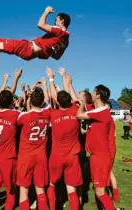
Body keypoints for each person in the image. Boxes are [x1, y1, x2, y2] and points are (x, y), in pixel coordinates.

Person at [0, 6, 70, 71]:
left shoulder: (60, 31)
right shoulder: (65, 41)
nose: (54, 21)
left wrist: (46, 12)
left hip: (28, 48)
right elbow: (56, 57)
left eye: (56, 19)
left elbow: (40, 25)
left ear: (62, 21)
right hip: (29, 51)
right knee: (4, 41)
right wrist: (47, 50)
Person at [46, 68, 82, 210]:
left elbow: (54, 96)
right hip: (72, 157)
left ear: (57, 102)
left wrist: (51, 79)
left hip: (56, 156)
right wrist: (65, 78)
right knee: (71, 188)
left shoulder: (53, 115)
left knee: (52, 184)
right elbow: (70, 97)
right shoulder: (75, 111)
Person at [77, 85, 115, 210]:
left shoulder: (100, 112)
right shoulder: (101, 111)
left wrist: (82, 104)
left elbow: (79, 115)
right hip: (100, 156)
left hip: (99, 157)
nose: (91, 95)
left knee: (100, 193)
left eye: (93, 92)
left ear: (98, 95)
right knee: (100, 191)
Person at [17, 87, 50, 210]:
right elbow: (47, 103)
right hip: (41, 156)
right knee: (40, 190)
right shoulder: (47, 114)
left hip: (25, 157)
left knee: (24, 190)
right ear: (42, 101)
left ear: (30, 101)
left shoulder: (23, 117)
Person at [106, 101, 119, 203]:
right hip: (111, 146)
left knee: (109, 171)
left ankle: (114, 195)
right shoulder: (109, 119)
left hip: (109, 147)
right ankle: (113, 194)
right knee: (108, 171)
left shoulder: (108, 119)